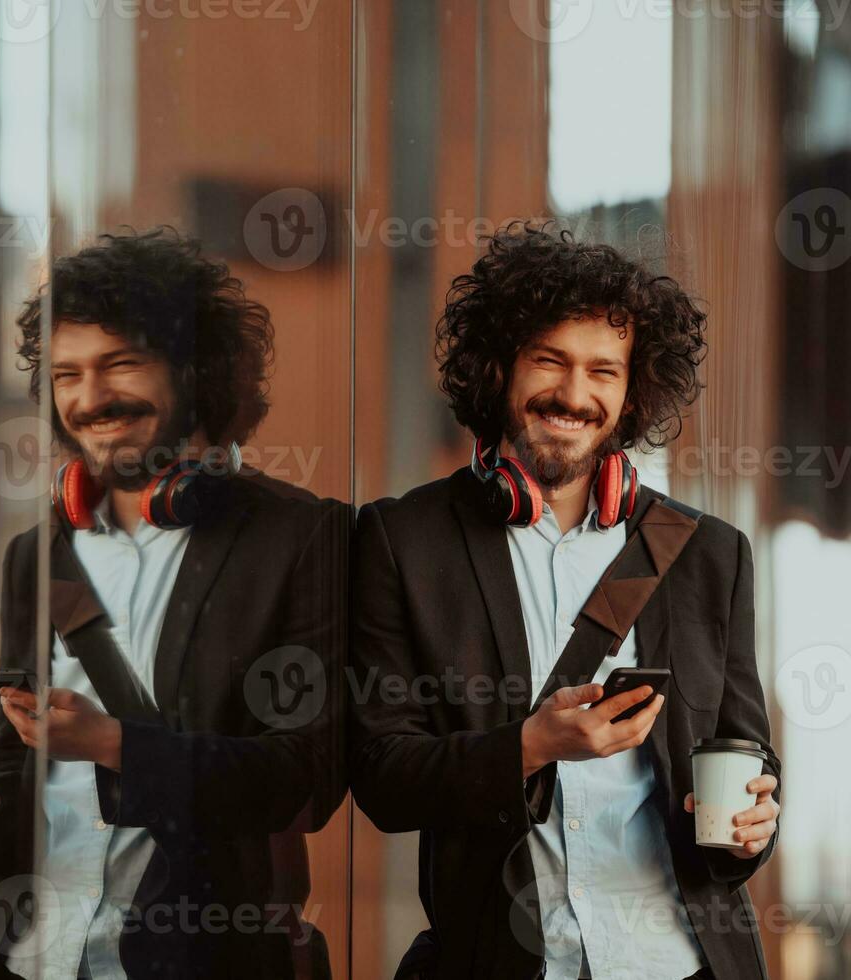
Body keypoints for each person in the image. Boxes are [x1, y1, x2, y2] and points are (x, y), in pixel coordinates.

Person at [0, 229, 347, 979]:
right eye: (67, 375)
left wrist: (118, 746)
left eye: (120, 364)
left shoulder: (301, 537)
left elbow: (305, 780)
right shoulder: (36, 554)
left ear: (195, 372)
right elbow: (17, 767)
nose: (89, 399)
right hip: (25, 960)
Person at [349, 222, 781, 979]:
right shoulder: (401, 540)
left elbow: (742, 752)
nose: (574, 396)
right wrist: (532, 746)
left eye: (603, 372)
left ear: (632, 391)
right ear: (500, 371)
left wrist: (753, 826)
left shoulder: (712, 555)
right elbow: (383, 776)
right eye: (549, 362)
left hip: (683, 964)